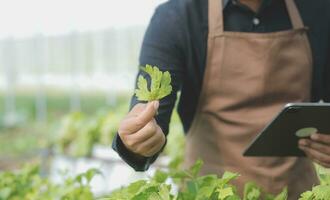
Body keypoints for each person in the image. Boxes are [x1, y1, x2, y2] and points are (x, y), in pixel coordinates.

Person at [112, 0, 330, 199]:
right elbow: (148, 118)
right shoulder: (179, 17)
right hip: (210, 193)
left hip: (298, 192)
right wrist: (139, 140)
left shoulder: (319, 11)